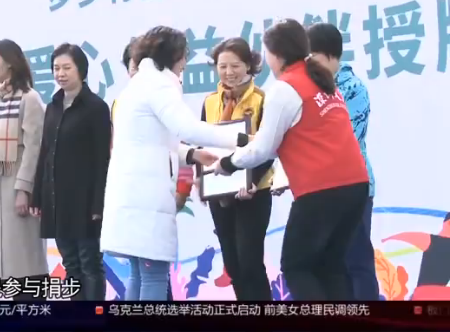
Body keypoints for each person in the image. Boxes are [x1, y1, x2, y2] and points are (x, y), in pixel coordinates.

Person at [212, 19, 370, 301]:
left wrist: (227, 164)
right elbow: (294, 141)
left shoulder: (285, 88)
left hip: (322, 190)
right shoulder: (322, 82)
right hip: (355, 186)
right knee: (331, 267)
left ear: (277, 54)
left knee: (296, 266)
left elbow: (263, 148)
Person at [101, 26, 249, 301]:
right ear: (173, 55)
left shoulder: (138, 85)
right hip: (146, 199)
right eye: (184, 56)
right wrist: (241, 139)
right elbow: (188, 128)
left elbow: (150, 140)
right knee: (154, 275)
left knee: (139, 275)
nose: (185, 64)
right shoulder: (158, 85)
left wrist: (191, 155)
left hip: (131, 197)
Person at [30, 43, 111, 301]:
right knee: (71, 264)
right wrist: (37, 195)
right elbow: (44, 153)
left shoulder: (96, 107)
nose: (60, 74)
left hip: (85, 200)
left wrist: (98, 204)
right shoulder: (53, 106)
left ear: (81, 70)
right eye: (56, 68)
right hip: (57, 199)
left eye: (67, 68)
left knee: (90, 263)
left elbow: (102, 159)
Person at [0, 40, 48, 301]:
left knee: (25, 264)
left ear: (10, 63)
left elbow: (35, 148)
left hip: (17, 189)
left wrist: (24, 189)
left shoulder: (29, 99)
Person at [307, 22, 379, 300]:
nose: (307, 64)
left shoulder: (353, 88)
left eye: (312, 56)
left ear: (329, 54)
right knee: (330, 265)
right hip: (320, 190)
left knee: (357, 262)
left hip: (353, 186)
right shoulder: (309, 90)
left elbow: (345, 139)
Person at [201, 38, 274, 301]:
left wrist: (252, 181)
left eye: (235, 66)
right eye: (222, 66)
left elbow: (269, 147)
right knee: (232, 265)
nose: (229, 72)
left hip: (254, 191)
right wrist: (202, 181)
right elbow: (203, 143)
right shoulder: (210, 102)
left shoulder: (263, 99)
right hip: (220, 192)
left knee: (250, 262)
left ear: (249, 66)